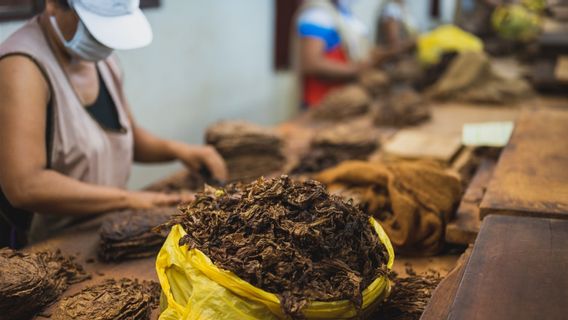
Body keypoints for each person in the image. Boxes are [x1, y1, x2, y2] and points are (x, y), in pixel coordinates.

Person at [0, 0, 228, 248]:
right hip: (45, 243)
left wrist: (180, 150)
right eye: (93, 29)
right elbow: (25, 186)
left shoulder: (100, 59)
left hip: (101, 229)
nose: (103, 43)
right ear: (53, 4)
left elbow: (128, 137)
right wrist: (130, 199)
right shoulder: (20, 68)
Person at [296, 0, 411, 108]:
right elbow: (311, 63)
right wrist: (358, 69)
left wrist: (379, 57)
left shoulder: (342, 12)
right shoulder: (317, 14)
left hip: (347, 99)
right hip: (323, 102)